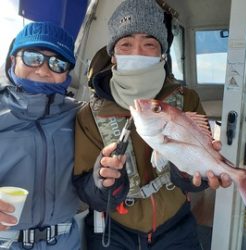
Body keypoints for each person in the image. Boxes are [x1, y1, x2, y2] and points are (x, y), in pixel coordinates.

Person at [73, 0, 232, 249]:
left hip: (176, 225)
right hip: (115, 229)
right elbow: (84, 188)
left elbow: (192, 177)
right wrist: (103, 182)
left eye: (149, 44)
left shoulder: (186, 99)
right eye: (126, 44)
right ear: (113, 55)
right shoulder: (88, 114)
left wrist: (191, 173)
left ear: (162, 53)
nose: (137, 52)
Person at [0, 21, 83, 249]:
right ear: (12, 59)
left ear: (67, 73)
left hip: (65, 241)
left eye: (57, 63)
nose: (43, 70)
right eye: (32, 57)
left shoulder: (81, 115)